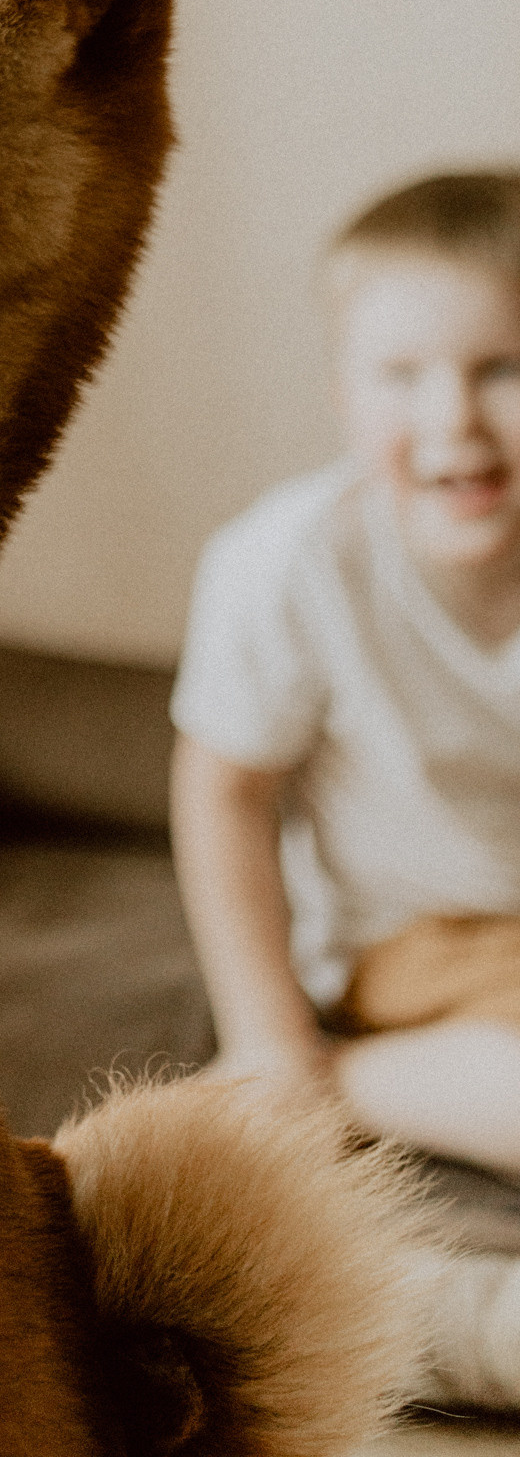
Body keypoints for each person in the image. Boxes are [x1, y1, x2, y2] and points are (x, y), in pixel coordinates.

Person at [170, 168, 520, 1169]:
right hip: (410, 939)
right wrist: (265, 1036)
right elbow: (224, 793)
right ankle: (325, 1085)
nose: (452, 416)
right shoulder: (287, 563)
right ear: (339, 397)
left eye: (501, 368)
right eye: (401, 376)